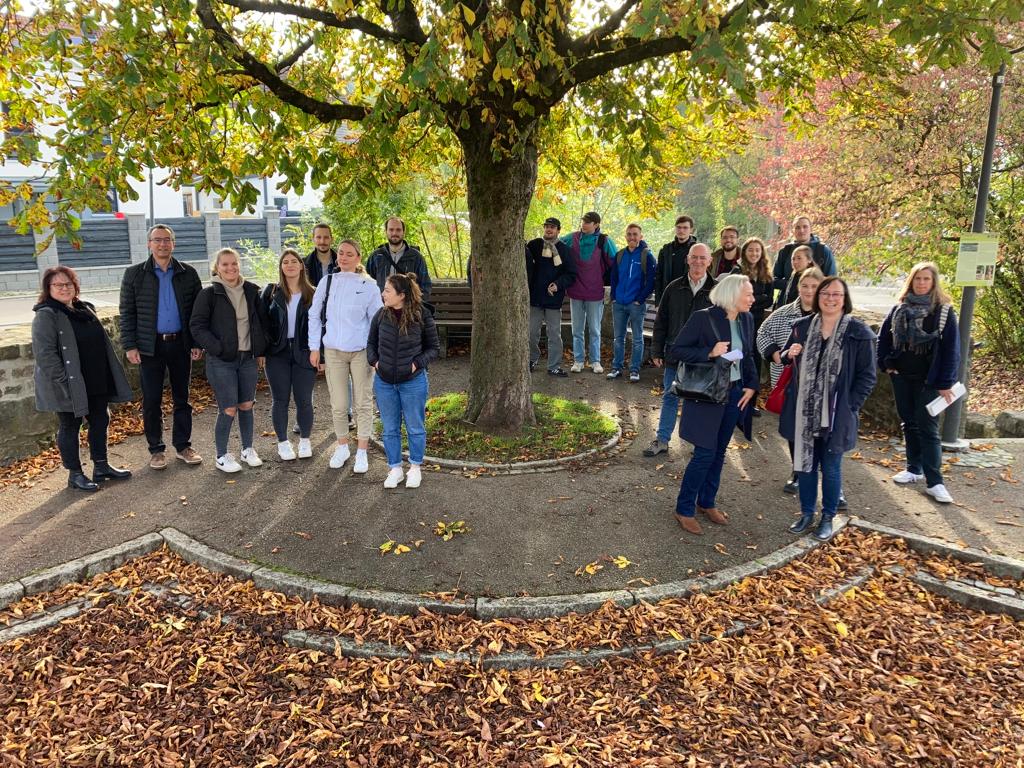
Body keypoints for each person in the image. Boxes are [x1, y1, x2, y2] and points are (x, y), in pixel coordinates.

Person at [779, 277, 877, 541]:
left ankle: (827, 517)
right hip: (803, 413)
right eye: (825, 293)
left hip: (836, 415)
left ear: (845, 299)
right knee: (805, 466)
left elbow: (867, 376)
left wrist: (850, 406)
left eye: (836, 294)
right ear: (817, 297)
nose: (830, 298)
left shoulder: (858, 333)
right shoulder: (801, 327)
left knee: (831, 467)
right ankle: (807, 513)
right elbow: (785, 355)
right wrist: (791, 353)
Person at [669, 274, 759, 535]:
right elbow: (677, 350)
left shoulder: (747, 319)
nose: (753, 299)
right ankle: (684, 508)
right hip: (707, 395)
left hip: (734, 393)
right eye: (748, 294)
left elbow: (749, 356)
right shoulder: (703, 318)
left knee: (719, 452)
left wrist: (752, 386)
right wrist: (709, 352)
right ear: (732, 295)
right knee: (705, 454)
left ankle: (706, 502)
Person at [33, 266, 134, 491]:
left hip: (96, 377)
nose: (64, 288)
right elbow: (45, 356)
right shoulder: (46, 314)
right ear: (48, 289)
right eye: (58, 285)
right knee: (71, 425)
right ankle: (75, 474)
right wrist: (65, 382)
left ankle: (101, 466)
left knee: (100, 420)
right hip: (68, 383)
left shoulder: (84, 309)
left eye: (68, 283)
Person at [119, 224, 204, 470]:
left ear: (173, 243)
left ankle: (183, 446)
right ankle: (156, 450)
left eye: (167, 240)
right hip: (149, 346)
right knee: (152, 400)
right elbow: (127, 313)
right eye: (157, 240)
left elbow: (197, 313)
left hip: (180, 344)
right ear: (149, 244)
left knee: (182, 398)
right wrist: (130, 345)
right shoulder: (134, 274)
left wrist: (196, 342)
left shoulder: (188, 273)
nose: (162, 244)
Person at [878, 262, 960, 504]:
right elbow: (883, 338)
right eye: (917, 279)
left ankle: (935, 483)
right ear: (911, 281)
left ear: (933, 283)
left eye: (926, 279)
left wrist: (945, 382)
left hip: (930, 381)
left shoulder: (943, 312)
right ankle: (914, 468)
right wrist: (886, 364)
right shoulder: (899, 309)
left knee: (928, 428)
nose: (921, 283)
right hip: (902, 376)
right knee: (909, 423)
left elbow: (951, 350)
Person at [189, 248, 268, 473]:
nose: (230, 268)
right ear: (217, 268)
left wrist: (259, 350)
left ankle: (247, 449)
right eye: (225, 264)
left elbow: (260, 323)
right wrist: (217, 348)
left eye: (234, 263)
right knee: (228, 408)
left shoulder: (251, 291)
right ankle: (222, 455)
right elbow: (197, 325)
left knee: (246, 405)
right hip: (222, 361)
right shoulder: (209, 294)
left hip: (247, 359)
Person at [309, 239, 384, 473]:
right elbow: (314, 315)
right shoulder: (327, 282)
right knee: (339, 403)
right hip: (333, 351)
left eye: (349, 254)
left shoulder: (369, 285)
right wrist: (314, 347)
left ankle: (362, 451)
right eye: (340, 253)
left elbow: (376, 322)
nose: (343, 257)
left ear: (358, 257)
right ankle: (342, 446)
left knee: (362, 402)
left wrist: (376, 354)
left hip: (361, 351)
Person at [368, 273, 440, 489]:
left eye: (388, 290)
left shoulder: (422, 315)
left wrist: (416, 364)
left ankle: (415, 467)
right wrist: (376, 363)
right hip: (384, 382)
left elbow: (433, 348)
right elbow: (371, 344)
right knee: (389, 428)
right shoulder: (381, 315)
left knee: (415, 427)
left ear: (401, 295)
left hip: (413, 381)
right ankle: (395, 468)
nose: (383, 294)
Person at [644, 243, 716, 456]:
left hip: (704, 356)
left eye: (703, 258)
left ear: (709, 261)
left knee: (699, 400)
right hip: (676, 352)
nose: (698, 262)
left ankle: (698, 443)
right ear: (687, 259)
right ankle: (662, 440)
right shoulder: (673, 287)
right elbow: (661, 320)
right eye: (694, 257)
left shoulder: (717, 290)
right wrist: (656, 350)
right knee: (670, 396)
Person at [757, 266, 824, 494]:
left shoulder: (829, 315)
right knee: (795, 429)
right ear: (798, 287)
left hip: (820, 384)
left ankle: (823, 474)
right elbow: (762, 334)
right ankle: (797, 471)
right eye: (805, 285)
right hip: (790, 381)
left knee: (819, 430)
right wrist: (775, 353)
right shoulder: (784, 313)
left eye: (814, 286)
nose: (809, 290)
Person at [261, 248, 317, 461]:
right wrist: (263, 350)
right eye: (286, 262)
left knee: (304, 400)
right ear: (281, 267)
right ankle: (283, 443)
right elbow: (262, 324)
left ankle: (305, 440)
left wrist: (318, 354)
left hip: (304, 351)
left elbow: (321, 324)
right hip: (278, 353)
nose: (290, 265)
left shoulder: (314, 292)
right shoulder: (271, 292)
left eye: (294, 261)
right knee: (280, 399)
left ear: (301, 265)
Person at [562, 211, 616, 373]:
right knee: (577, 329)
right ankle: (578, 360)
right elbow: (557, 246)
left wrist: (610, 287)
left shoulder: (604, 241)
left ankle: (595, 361)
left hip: (595, 293)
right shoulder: (573, 238)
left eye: (588, 222)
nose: (584, 224)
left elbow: (615, 263)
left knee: (594, 329)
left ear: (596, 225)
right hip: (576, 291)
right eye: (583, 221)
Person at [526, 217, 577, 377]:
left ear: (558, 230)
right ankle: (531, 359)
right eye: (547, 226)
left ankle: (553, 366)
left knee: (554, 335)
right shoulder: (534, 245)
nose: (549, 229)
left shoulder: (564, 250)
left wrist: (558, 284)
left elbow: (571, 274)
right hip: (535, 298)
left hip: (553, 300)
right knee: (531, 333)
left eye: (552, 227)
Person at [608, 223, 657, 382]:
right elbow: (614, 278)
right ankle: (617, 367)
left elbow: (651, 281)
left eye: (635, 234)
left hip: (635, 304)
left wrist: (639, 299)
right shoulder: (620, 255)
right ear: (625, 236)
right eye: (629, 234)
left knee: (637, 339)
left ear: (640, 236)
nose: (632, 237)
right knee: (618, 338)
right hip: (619, 304)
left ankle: (634, 370)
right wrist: (614, 297)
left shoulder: (646, 256)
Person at [731, 237, 775, 391]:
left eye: (757, 250)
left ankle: (751, 399)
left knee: (754, 359)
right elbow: (735, 297)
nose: (754, 253)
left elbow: (769, 300)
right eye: (750, 250)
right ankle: (735, 391)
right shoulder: (737, 270)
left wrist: (752, 299)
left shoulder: (766, 273)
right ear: (744, 252)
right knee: (738, 355)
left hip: (758, 324)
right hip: (739, 321)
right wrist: (759, 298)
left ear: (762, 253)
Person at [772, 216, 837, 305]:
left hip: (815, 305)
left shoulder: (823, 250)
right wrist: (792, 284)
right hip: (786, 305)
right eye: (797, 227)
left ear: (811, 229)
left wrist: (810, 286)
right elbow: (773, 279)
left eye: (805, 227)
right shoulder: (785, 251)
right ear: (793, 230)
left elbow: (832, 281)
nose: (801, 230)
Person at [366, 217, 432, 303]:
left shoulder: (415, 257)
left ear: (404, 232)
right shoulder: (376, 256)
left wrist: (414, 306)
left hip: (408, 310)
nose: (394, 233)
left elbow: (425, 286)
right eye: (391, 230)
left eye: (398, 230)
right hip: (382, 309)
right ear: (386, 231)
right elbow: (367, 284)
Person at [654, 215, 697, 306]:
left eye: (685, 228)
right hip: (668, 298)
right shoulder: (666, 250)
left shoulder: (697, 250)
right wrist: (658, 302)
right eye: (679, 227)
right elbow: (658, 276)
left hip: (689, 299)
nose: (681, 230)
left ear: (691, 230)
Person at [773, 244, 814, 310]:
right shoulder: (794, 275)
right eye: (793, 259)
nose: (795, 262)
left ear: (809, 260)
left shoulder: (812, 278)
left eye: (799, 258)